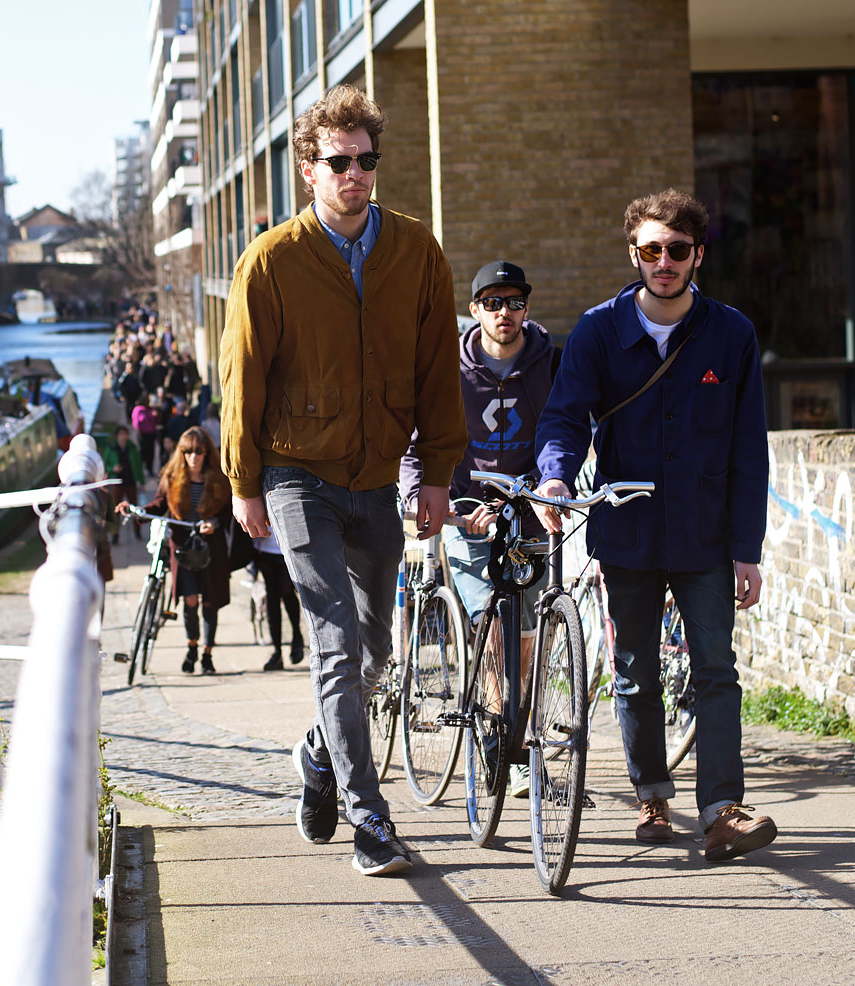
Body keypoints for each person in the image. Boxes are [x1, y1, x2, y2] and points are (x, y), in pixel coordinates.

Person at [219, 84, 465, 877]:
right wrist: (244, 483)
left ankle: (319, 756)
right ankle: (371, 820)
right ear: (307, 170)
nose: (354, 175)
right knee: (331, 647)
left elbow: (437, 373)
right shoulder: (272, 261)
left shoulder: (417, 251)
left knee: (372, 655)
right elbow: (242, 378)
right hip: (297, 477)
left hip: (378, 478)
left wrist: (435, 472)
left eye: (365, 161)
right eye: (338, 162)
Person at [533, 188, 774, 862]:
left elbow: (747, 451)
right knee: (634, 669)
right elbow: (563, 416)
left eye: (676, 250)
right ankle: (652, 795)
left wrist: (747, 551)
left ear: (697, 254)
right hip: (628, 533)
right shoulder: (598, 330)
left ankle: (723, 810)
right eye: (650, 250)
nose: (663, 262)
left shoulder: (732, 334)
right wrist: (555, 473)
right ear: (632, 253)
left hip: (704, 536)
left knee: (717, 670)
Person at [400, 260, 556, 799]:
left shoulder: (548, 363)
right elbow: (415, 442)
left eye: (514, 302)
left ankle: (517, 741)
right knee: (494, 626)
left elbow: (561, 433)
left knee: (530, 639)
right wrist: (434, 503)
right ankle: (495, 734)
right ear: (475, 310)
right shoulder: (450, 367)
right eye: (493, 303)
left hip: (530, 514)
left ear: (527, 308)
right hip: (466, 517)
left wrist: (544, 488)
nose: (504, 312)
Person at [119, 426, 232, 674]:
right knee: (190, 600)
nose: (193, 457)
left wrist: (213, 524)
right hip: (182, 550)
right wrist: (138, 511)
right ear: (181, 453)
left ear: (207, 453)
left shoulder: (219, 480)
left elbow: (228, 513)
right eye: (188, 451)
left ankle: (207, 653)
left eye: (199, 451)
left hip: (211, 550)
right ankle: (192, 647)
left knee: (210, 602)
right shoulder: (172, 477)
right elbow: (159, 504)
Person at [254, 529, 304, 671]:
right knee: (272, 599)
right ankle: (277, 652)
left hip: (288, 548)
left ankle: (296, 635)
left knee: (287, 592)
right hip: (263, 548)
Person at [103, 425, 146, 543]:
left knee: (135, 509)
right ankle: (115, 535)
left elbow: (138, 465)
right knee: (116, 510)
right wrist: (113, 468)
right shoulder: (111, 448)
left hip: (130, 481)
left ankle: (137, 532)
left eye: (125, 434)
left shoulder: (132, 448)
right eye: (120, 434)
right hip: (117, 483)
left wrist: (141, 482)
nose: (123, 437)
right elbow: (104, 464)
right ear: (117, 436)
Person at [131, 394, 159, 477]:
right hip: (142, 434)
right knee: (142, 452)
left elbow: (156, 421)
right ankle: (139, 470)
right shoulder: (138, 410)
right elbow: (136, 422)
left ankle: (150, 469)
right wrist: (139, 431)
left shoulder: (151, 409)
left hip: (151, 434)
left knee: (151, 452)